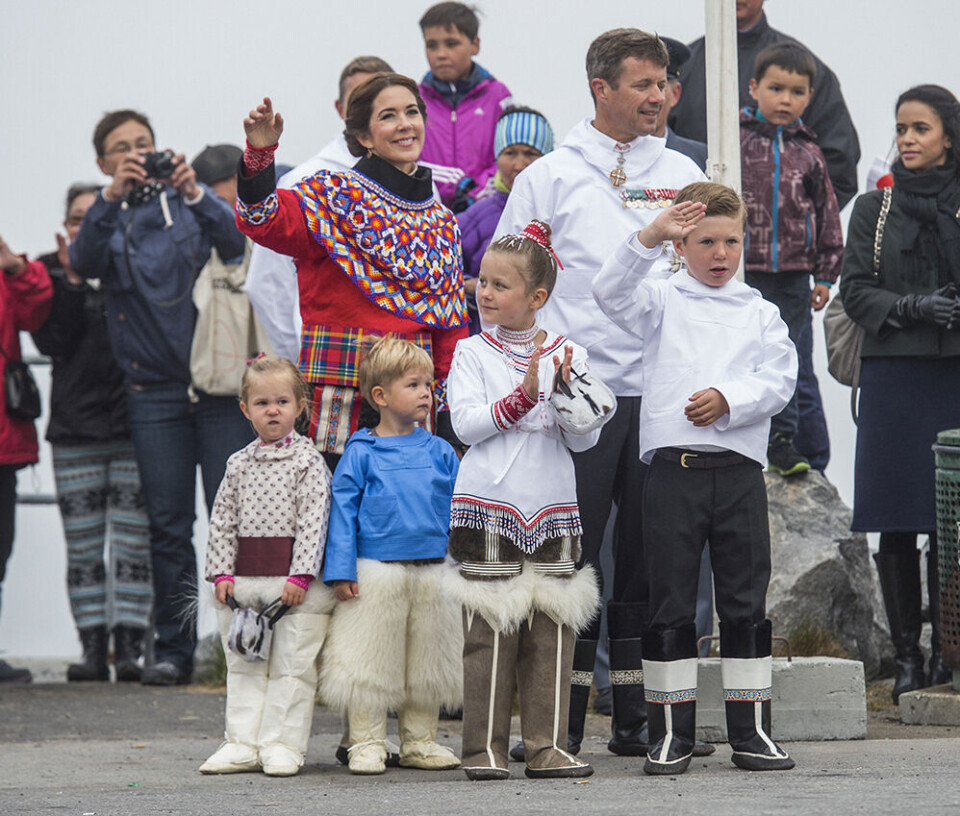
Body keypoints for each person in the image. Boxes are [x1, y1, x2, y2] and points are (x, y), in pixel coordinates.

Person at [496, 28, 705, 760]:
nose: (658, 96)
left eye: (664, 83)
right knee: (569, 559)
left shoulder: (682, 168)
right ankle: (559, 722)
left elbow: (709, 274)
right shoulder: (549, 174)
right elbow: (511, 281)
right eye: (643, 83)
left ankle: (638, 721)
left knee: (652, 561)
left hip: (660, 392)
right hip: (578, 395)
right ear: (601, 88)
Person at [593, 181, 797, 775]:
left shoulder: (761, 313)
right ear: (683, 245)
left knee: (744, 603)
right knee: (671, 605)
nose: (720, 254)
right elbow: (609, 292)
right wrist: (649, 235)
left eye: (731, 241)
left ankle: (753, 732)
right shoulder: (659, 300)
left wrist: (728, 398)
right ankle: (669, 735)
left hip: (738, 477)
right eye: (706, 241)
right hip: (674, 476)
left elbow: (779, 381)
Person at [69, 110, 251, 686]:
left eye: (143, 144)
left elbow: (234, 242)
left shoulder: (190, 203)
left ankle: (246, 645)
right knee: (169, 527)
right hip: (152, 394)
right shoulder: (109, 216)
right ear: (103, 162)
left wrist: (194, 191)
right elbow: (81, 263)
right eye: (122, 149)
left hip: (219, 391)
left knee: (239, 522)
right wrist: (109, 198)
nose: (136, 155)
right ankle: (173, 649)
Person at [235, 76, 469, 472]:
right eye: (388, 116)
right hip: (335, 404)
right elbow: (263, 220)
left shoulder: (442, 222)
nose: (405, 124)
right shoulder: (330, 196)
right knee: (330, 526)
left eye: (412, 112)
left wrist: (449, 421)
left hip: (413, 403)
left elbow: (449, 332)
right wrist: (260, 153)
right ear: (363, 136)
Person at [446, 221, 600, 780]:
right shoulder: (470, 352)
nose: (484, 292)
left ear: (537, 298)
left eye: (499, 285)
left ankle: (546, 746)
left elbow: (587, 438)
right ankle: (481, 749)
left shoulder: (570, 352)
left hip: (554, 501)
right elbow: (465, 426)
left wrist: (563, 399)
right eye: (482, 282)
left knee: (552, 627)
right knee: (487, 628)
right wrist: (522, 395)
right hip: (487, 499)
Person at [840, 84, 960, 702]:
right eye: (901, 128)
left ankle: (948, 651)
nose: (907, 139)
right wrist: (914, 305)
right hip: (892, 375)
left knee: (949, 523)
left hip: (953, 376)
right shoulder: (873, 208)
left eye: (920, 128)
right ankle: (906, 656)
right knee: (894, 519)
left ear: (948, 136)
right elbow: (855, 290)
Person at [319, 337, 461, 775]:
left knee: (427, 664)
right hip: (374, 573)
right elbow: (341, 515)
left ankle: (419, 741)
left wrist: (464, 564)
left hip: (434, 572)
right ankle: (365, 741)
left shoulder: (441, 451)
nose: (426, 393)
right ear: (379, 396)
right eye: (414, 384)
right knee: (370, 661)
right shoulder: (360, 454)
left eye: (430, 384)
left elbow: (462, 509)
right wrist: (340, 571)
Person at [32, 184, 152, 682]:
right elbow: (49, 339)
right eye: (77, 218)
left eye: (93, 217)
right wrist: (75, 282)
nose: (84, 226)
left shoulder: (131, 261)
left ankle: (128, 649)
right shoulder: (50, 270)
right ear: (66, 224)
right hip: (74, 429)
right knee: (82, 548)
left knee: (132, 548)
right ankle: (90, 648)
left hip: (133, 425)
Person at [199, 354, 331, 777]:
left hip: (293, 587)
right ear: (245, 409)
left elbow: (315, 522)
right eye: (262, 403)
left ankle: (282, 743)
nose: (272, 410)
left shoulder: (309, 462)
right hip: (243, 584)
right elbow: (222, 520)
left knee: (291, 667)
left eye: (281, 401)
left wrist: (301, 574)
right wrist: (221, 573)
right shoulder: (237, 464)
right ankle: (241, 742)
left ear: (300, 406)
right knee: (244, 665)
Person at [244, 56, 394, 362]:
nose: (370, 111)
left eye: (381, 103)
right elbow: (266, 284)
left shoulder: (420, 182)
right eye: (359, 101)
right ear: (341, 109)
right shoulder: (304, 180)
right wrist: (299, 355)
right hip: (331, 360)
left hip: (408, 368)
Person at [740, 42, 843, 476]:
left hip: (794, 279)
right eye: (776, 88)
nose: (786, 99)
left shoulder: (809, 154)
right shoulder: (735, 142)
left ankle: (784, 443)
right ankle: (741, 439)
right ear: (753, 88)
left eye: (797, 91)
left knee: (792, 360)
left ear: (809, 97)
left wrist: (826, 273)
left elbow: (829, 216)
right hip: (742, 274)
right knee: (744, 357)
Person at [669, 0, 860, 210]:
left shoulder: (804, 72)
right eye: (776, 89)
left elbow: (840, 165)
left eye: (794, 93)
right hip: (691, 226)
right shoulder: (678, 74)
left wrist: (792, 224)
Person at [0, 234, 52, 685]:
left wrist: (13, 266)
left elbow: (36, 310)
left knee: (0, 549)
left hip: (2, 441)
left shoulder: (6, 274)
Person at [458, 106, 554, 334]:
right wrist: (473, 284)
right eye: (510, 153)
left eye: (531, 154)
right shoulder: (474, 218)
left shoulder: (559, 213)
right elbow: (445, 273)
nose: (519, 165)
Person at [417, 1, 513, 211]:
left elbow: (509, 154)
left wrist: (473, 193)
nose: (441, 54)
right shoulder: (413, 100)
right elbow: (409, 161)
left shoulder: (498, 96)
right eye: (432, 45)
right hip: (427, 213)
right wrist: (454, 186)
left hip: (483, 212)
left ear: (475, 45)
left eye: (451, 44)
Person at [657, 38, 707, 172]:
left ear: (675, 94)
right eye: (640, 86)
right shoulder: (605, 157)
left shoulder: (702, 159)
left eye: (660, 87)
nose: (652, 97)